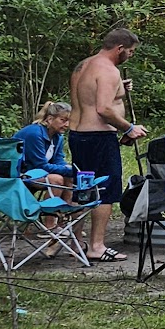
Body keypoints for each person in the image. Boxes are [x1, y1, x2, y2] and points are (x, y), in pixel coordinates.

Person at [69, 27, 147, 263]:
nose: (130, 56)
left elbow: (89, 95)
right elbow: (103, 109)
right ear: (120, 49)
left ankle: (75, 240)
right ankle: (97, 246)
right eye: (130, 52)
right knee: (106, 191)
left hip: (78, 135)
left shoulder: (85, 65)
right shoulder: (109, 71)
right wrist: (129, 128)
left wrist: (118, 87)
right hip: (99, 138)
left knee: (82, 188)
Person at [14, 100, 78, 200]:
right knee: (56, 180)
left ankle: (64, 212)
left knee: (69, 177)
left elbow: (58, 160)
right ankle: (50, 214)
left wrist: (70, 168)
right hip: (20, 173)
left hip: (36, 171)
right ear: (50, 119)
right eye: (63, 120)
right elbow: (40, 165)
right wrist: (69, 170)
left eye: (69, 121)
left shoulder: (57, 136)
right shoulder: (35, 134)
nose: (67, 125)